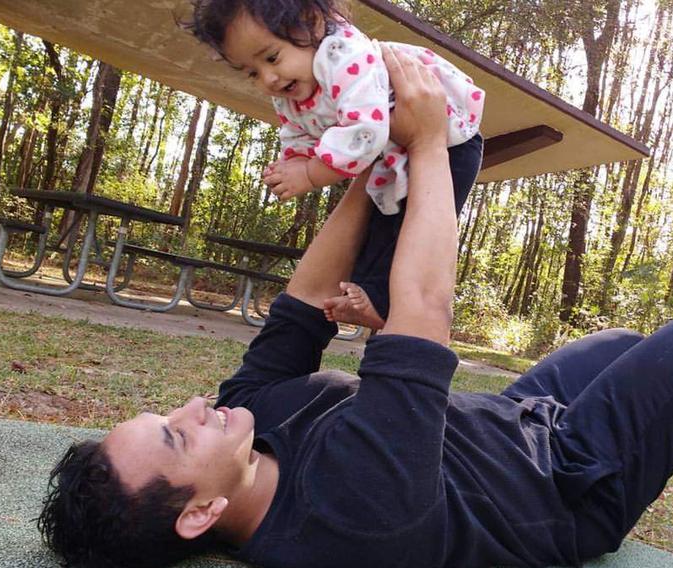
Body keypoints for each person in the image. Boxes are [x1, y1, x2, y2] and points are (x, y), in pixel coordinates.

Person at [38, 48, 673, 568]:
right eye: (177, 434)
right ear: (200, 515)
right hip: (566, 480)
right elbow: (422, 304)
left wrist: (364, 153)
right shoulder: (347, 516)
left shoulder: (247, 420)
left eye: (168, 412)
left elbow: (306, 299)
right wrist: (429, 144)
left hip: (509, 425)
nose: (196, 404)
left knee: (622, 339)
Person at [189, 0, 485, 330]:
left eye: (272, 57)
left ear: (312, 23)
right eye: (252, 72)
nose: (269, 78)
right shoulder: (291, 87)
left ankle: (383, 302)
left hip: (452, 142)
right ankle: (372, 294)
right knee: (378, 223)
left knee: (411, 227)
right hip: (397, 151)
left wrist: (309, 173)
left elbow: (367, 132)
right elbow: (298, 129)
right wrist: (294, 161)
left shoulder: (344, 55)